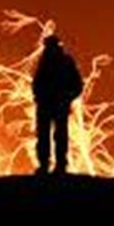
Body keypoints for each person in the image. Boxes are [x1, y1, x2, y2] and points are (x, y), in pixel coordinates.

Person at [32, 35, 83, 175]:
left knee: (58, 136)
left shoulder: (64, 62)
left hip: (57, 105)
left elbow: (78, 85)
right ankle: (46, 165)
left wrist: (67, 98)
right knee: (45, 136)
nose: (48, 49)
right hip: (48, 105)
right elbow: (37, 83)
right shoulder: (46, 62)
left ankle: (58, 166)